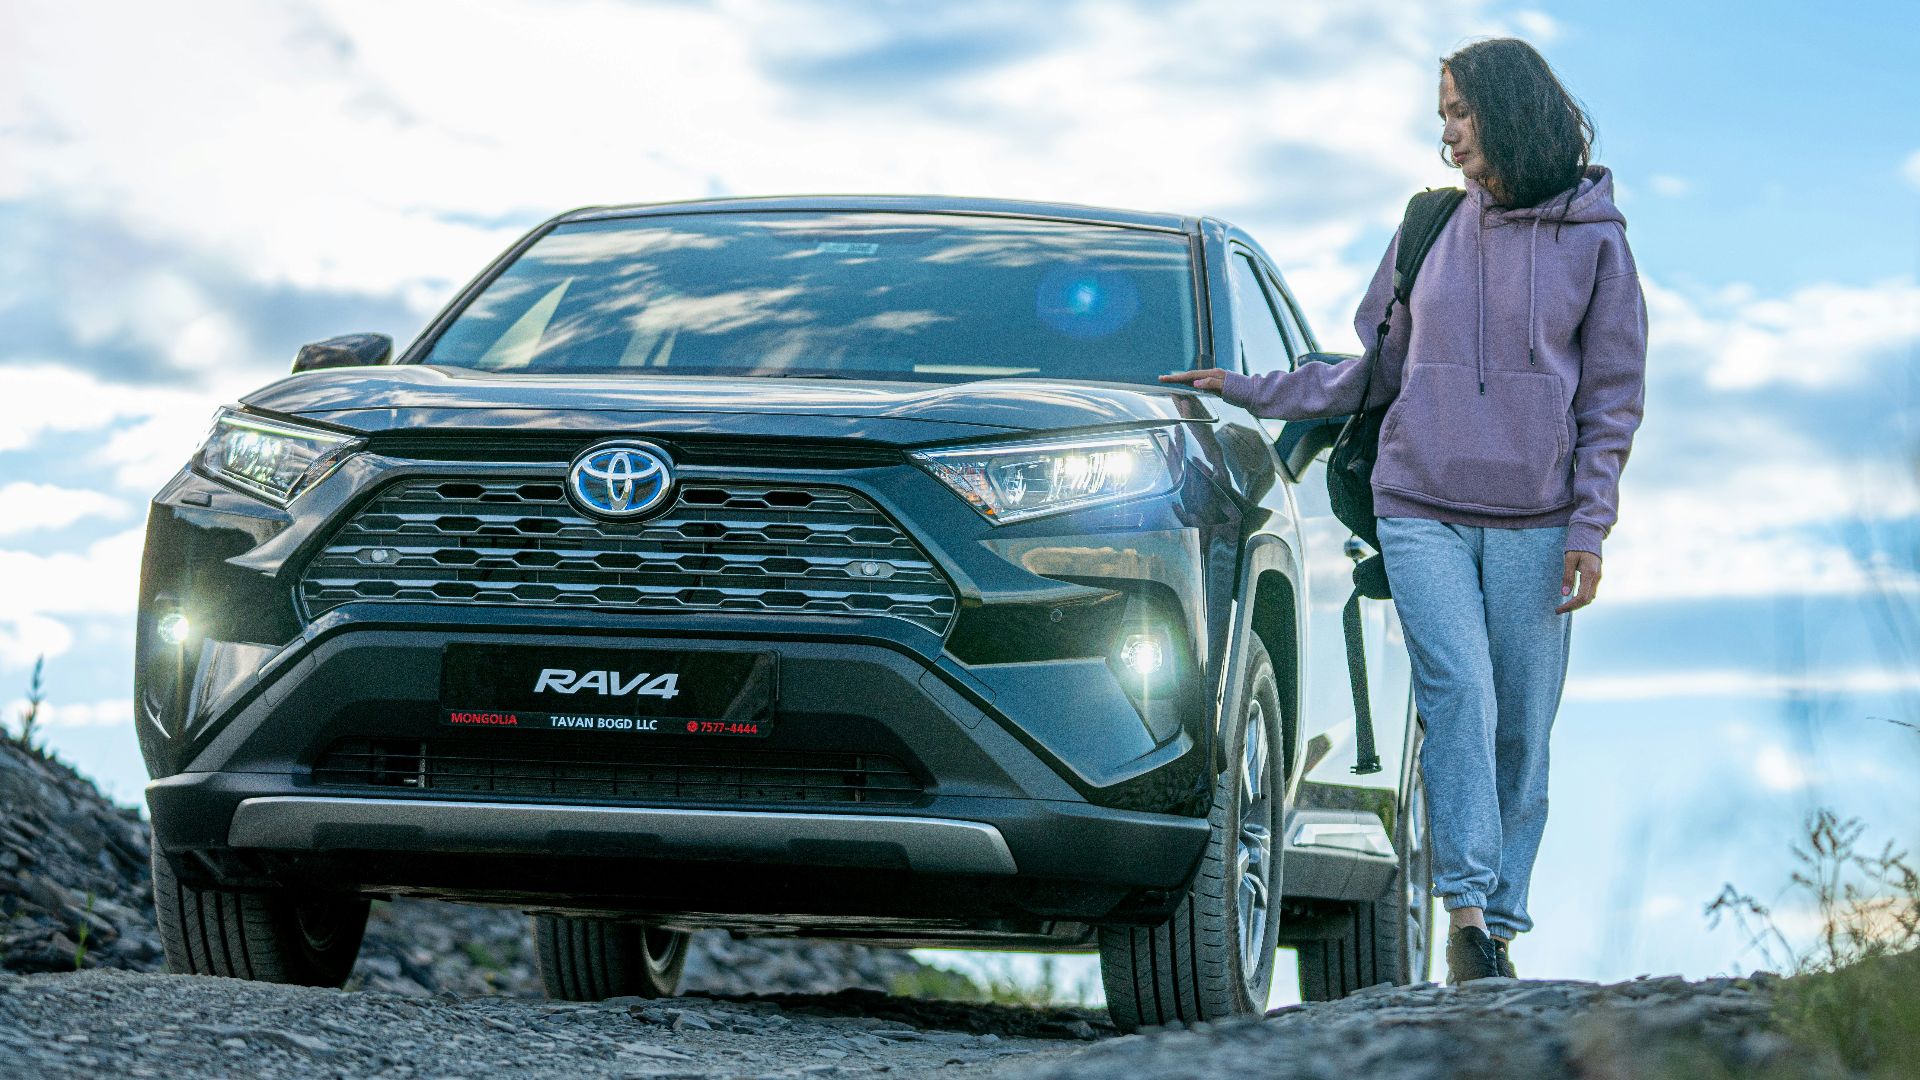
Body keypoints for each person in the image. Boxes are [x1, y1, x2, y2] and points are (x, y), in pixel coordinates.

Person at [1162, 37, 1648, 985]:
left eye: (1461, 114)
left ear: (1510, 112)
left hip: (1538, 517)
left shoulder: (1598, 241)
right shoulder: (1428, 227)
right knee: (1456, 693)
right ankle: (1468, 916)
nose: (1449, 136)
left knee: (1521, 725)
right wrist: (1254, 390)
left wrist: (1589, 527)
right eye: (1443, 118)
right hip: (1418, 501)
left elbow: (1612, 401)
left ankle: (1500, 916)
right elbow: (1374, 372)